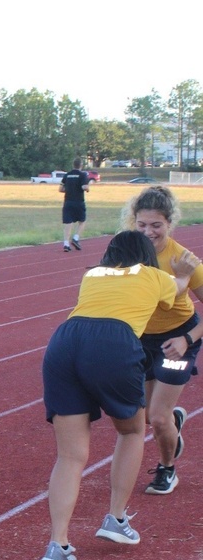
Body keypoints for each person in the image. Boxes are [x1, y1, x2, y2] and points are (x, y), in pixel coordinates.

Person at [39, 230, 198, 560]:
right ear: (145, 255)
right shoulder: (155, 275)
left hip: (64, 341)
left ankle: (57, 544)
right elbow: (179, 290)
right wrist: (183, 274)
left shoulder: (92, 274)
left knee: (69, 455)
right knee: (130, 431)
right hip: (114, 341)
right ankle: (115, 518)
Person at [119, 186, 203, 495]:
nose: (148, 231)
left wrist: (186, 338)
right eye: (142, 224)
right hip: (143, 340)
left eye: (156, 225)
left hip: (178, 339)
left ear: (170, 223)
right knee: (145, 415)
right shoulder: (128, 253)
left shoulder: (183, 259)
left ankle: (168, 469)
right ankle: (173, 422)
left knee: (156, 417)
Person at [60, 158, 91, 252]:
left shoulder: (67, 175)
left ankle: (66, 244)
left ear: (73, 165)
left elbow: (61, 189)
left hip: (68, 201)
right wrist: (88, 188)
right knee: (82, 220)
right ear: (81, 165)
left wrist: (70, 189)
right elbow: (84, 187)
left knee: (68, 223)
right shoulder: (83, 175)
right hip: (78, 202)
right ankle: (76, 238)